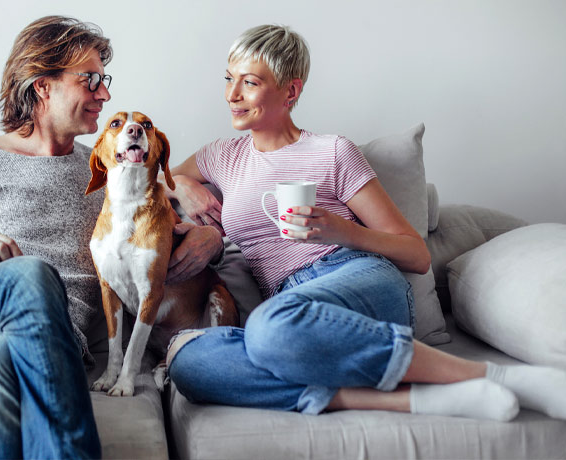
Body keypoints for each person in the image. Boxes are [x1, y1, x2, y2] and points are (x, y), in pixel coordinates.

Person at [163, 24, 566, 422]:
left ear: (291, 91)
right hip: (294, 308)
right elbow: (151, 182)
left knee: (269, 328)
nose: (232, 95)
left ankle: (497, 377)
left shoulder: (332, 151)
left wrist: (344, 231)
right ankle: (420, 399)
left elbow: (417, 254)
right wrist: (182, 185)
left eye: (249, 82)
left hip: (357, 278)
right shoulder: (221, 156)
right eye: (229, 79)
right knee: (189, 360)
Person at [0, 16, 221, 460]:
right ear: (42, 85)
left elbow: (159, 197)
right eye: (91, 80)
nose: (104, 94)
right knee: (29, 274)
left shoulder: (110, 171)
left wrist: (211, 236)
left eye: (105, 80)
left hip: (32, 353)